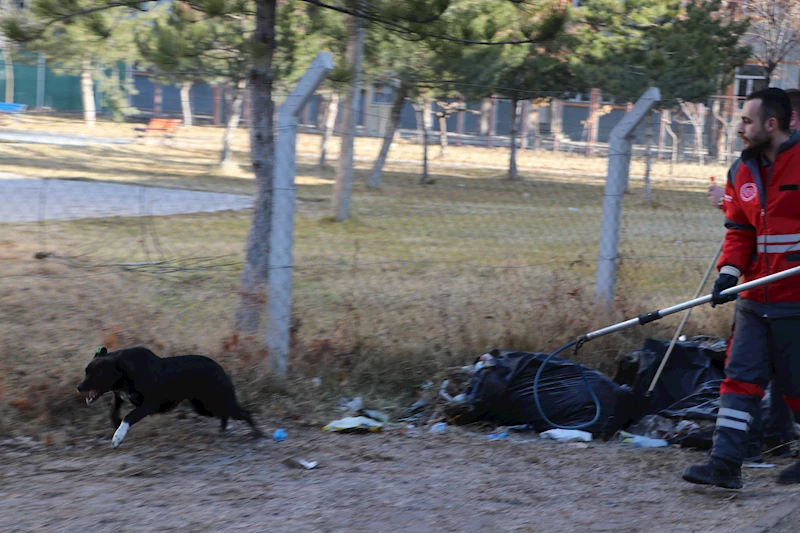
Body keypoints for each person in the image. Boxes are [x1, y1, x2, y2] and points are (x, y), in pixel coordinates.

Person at [682, 87, 800, 489]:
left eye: (747, 121)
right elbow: (739, 229)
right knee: (740, 378)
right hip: (754, 298)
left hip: (795, 300)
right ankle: (725, 463)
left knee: (795, 384)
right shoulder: (741, 171)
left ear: (772, 124)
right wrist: (729, 272)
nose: (740, 129)